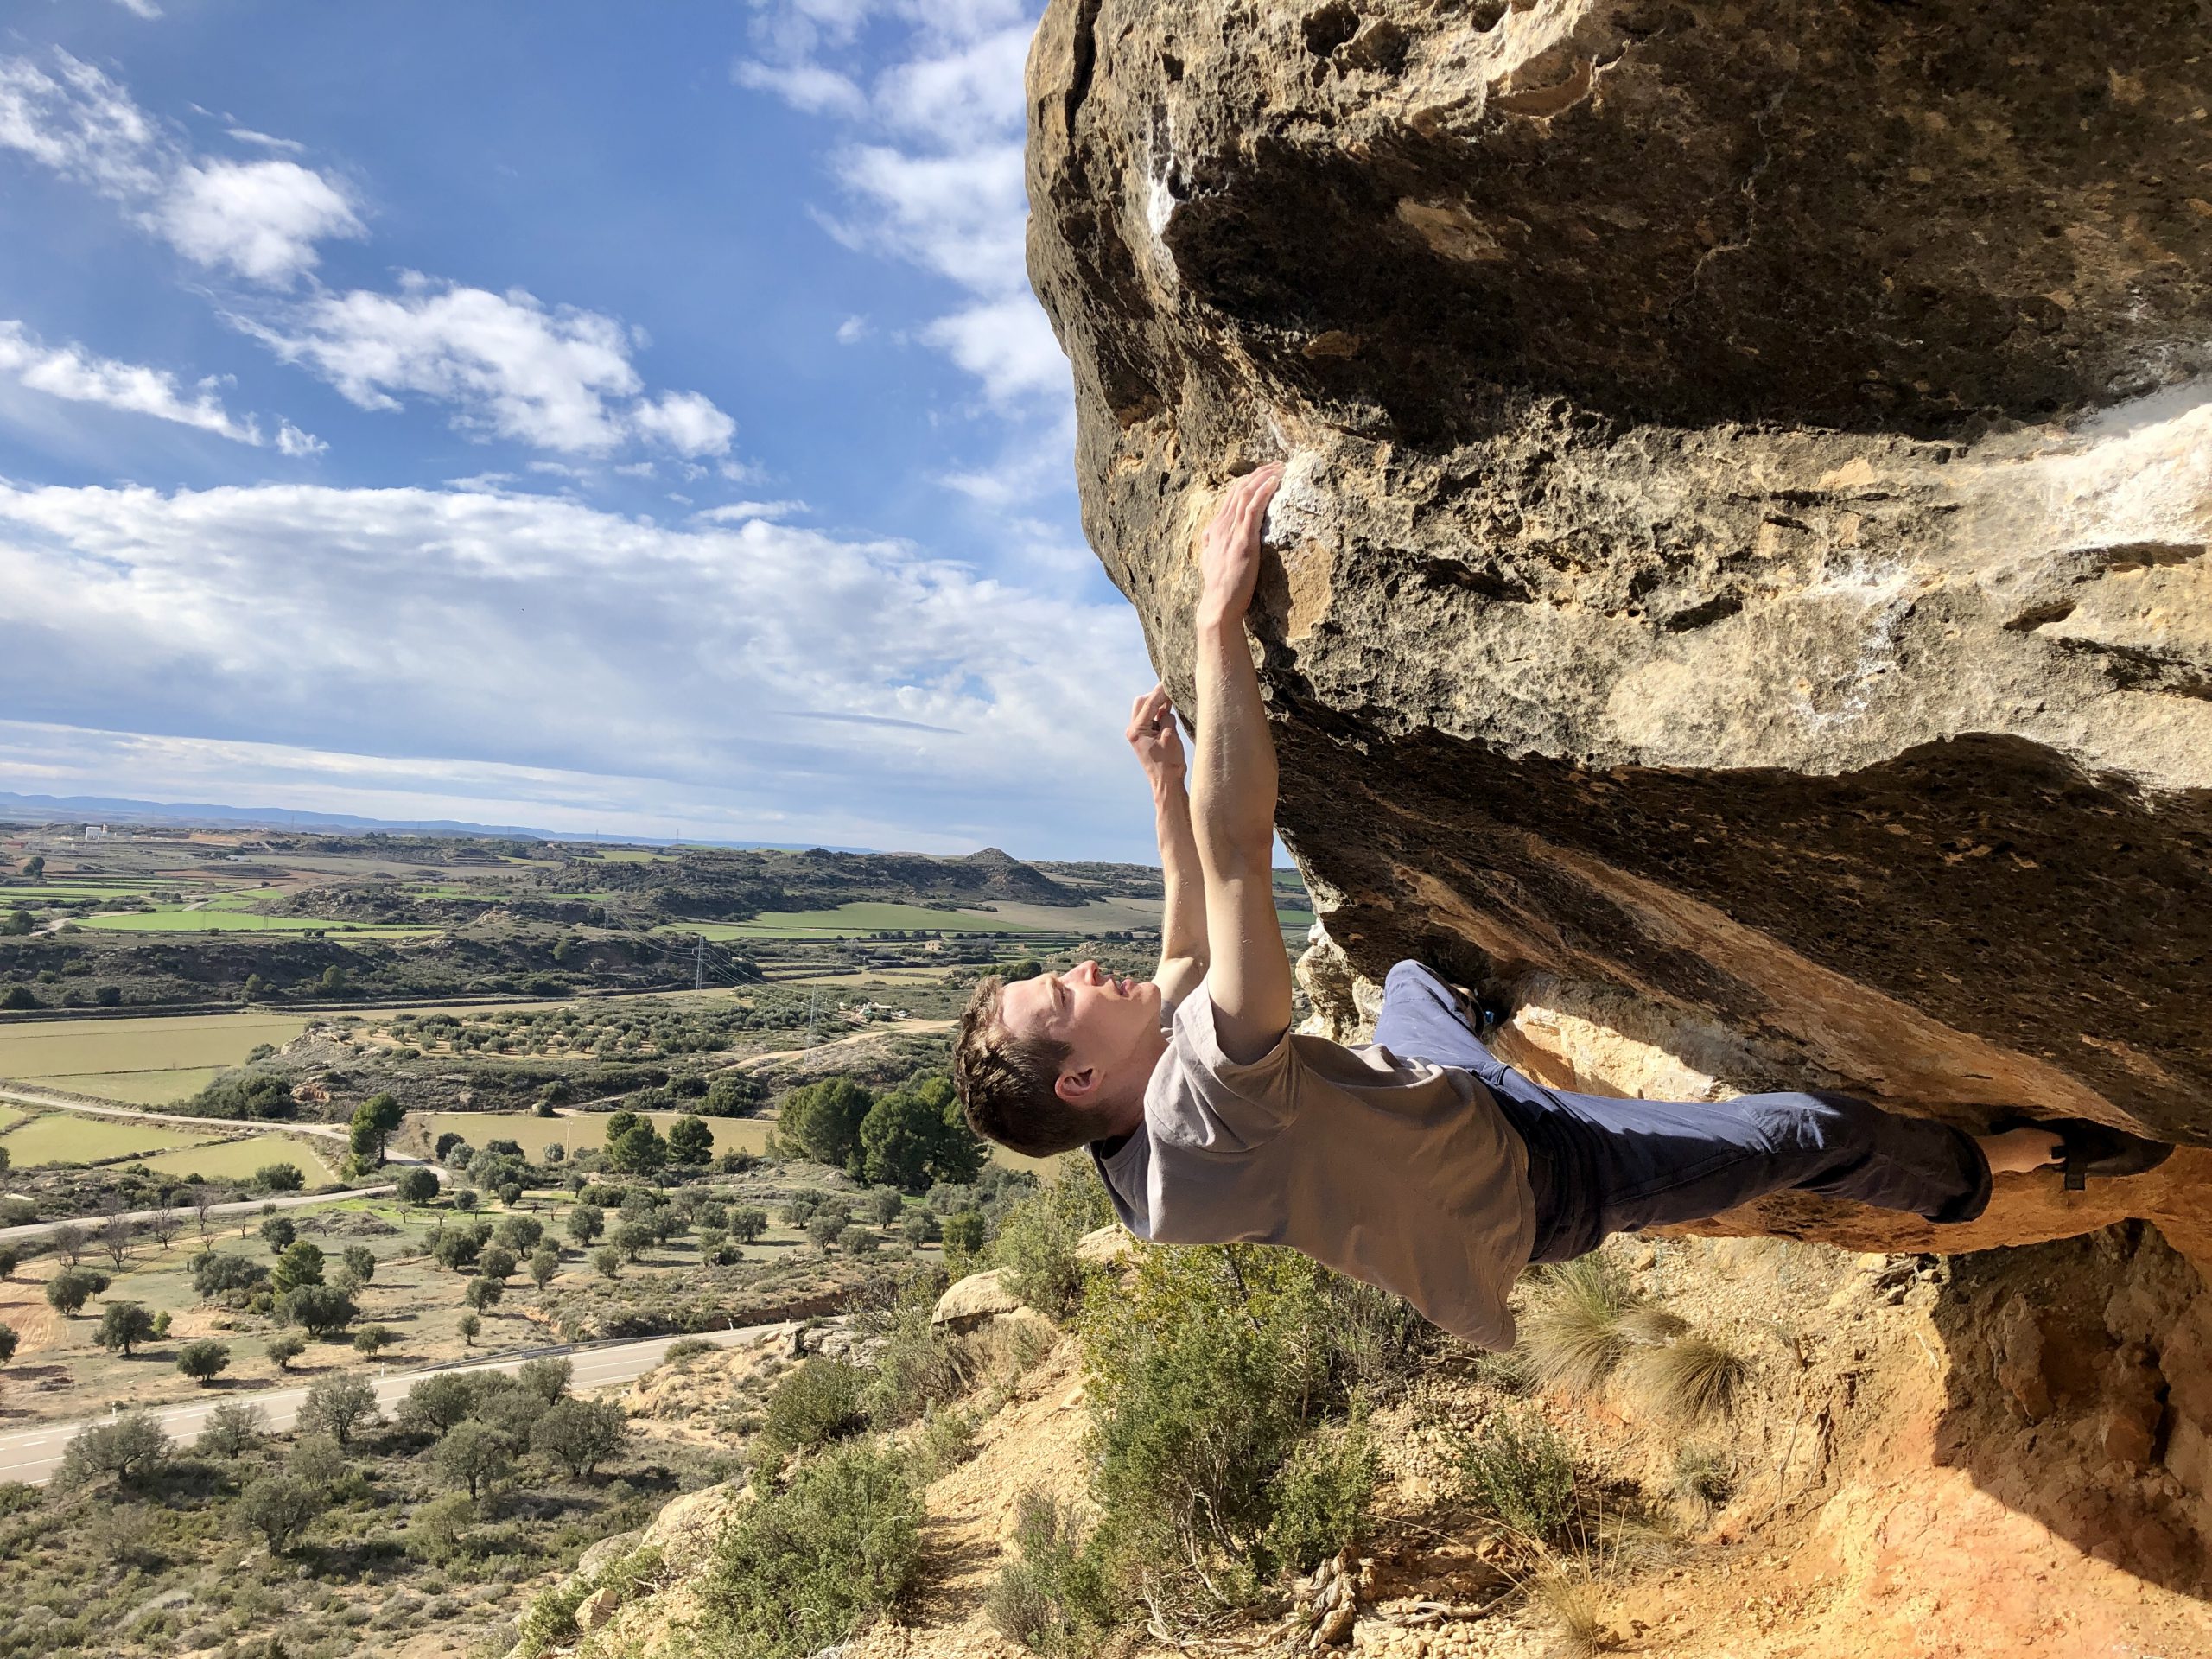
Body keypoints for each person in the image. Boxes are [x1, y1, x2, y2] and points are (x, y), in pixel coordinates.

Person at [951, 461, 2172, 1349]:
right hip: (1540, 1181)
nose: (1091, 973)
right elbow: (1235, 861)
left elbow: (1179, 934)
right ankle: (1995, 1164)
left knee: (1425, 981)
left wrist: (1160, 780)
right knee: (1805, 1130)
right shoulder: (1210, 1110)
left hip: (1444, 1095)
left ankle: (1491, 1035)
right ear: (1077, 1080)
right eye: (1065, 993)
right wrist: (1219, 623)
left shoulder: (1130, 1108)